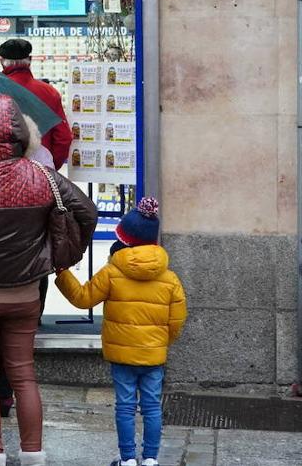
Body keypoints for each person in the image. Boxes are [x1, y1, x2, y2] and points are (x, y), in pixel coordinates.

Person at [0, 94, 98, 466]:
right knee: (24, 375)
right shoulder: (43, 175)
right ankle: (32, 452)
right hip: (24, 293)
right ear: (25, 135)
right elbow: (88, 213)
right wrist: (55, 253)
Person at [55, 197, 187, 466]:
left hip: (121, 356)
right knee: (151, 407)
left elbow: (82, 299)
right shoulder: (170, 278)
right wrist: (160, 342)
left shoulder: (112, 272)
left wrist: (62, 273)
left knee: (125, 407)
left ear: (124, 241)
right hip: (153, 356)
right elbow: (176, 321)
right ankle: (150, 458)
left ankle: (128, 459)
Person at [0, 39, 73, 169]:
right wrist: (50, 166)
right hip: (40, 170)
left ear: (2, 62)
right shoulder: (50, 92)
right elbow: (63, 138)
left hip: (4, 170)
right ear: (30, 60)